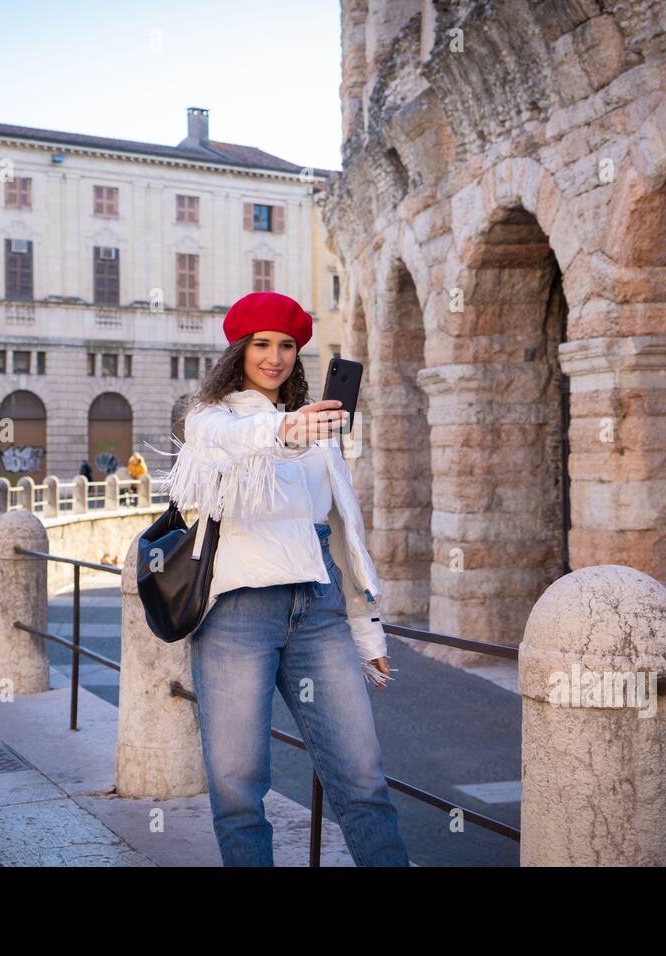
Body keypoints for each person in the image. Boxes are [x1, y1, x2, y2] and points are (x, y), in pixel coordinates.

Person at [148, 290, 409, 867]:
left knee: (364, 779)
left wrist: (367, 631)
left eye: (287, 345)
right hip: (240, 611)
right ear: (238, 352)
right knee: (240, 787)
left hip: (317, 611)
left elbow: (344, 536)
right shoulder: (212, 418)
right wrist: (282, 432)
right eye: (262, 344)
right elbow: (226, 444)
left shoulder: (320, 432)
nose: (275, 357)